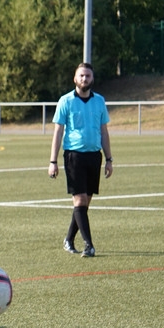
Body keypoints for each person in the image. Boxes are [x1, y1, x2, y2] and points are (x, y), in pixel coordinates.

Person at [48, 62, 112, 258]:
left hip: (94, 156)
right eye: (81, 76)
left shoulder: (99, 101)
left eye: (88, 76)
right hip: (74, 156)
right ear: (75, 78)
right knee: (80, 200)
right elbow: (58, 132)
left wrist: (109, 159)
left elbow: (104, 131)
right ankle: (89, 245)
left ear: (93, 79)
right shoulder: (65, 101)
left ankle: (68, 239)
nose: (85, 79)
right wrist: (53, 161)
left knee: (84, 204)